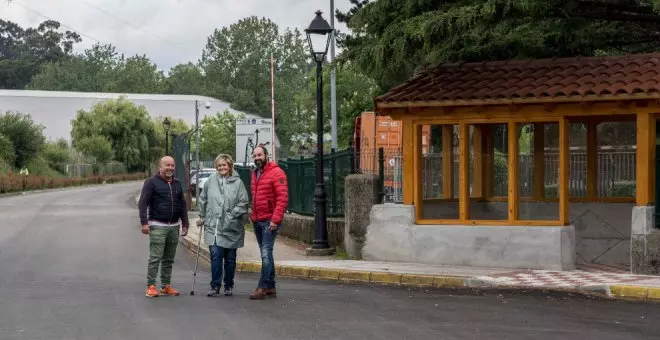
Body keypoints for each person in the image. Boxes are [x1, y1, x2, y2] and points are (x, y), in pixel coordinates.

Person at [197, 154, 249, 297]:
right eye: (219, 165)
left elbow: (244, 202)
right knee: (215, 255)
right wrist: (201, 215)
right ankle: (215, 285)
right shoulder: (210, 181)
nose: (222, 168)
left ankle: (228, 285)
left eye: (224, 165)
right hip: (213, 226)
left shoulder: (238, 183)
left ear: (230, 165)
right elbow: (203, 198)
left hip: (232, 227)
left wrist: (232, 215)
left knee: (230, 259)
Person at [138, 156, 189, 298]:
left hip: (174, 226)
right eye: (167, 165)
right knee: (155, 257)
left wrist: (185, 224)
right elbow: (143, 203)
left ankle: (166, 286)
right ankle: (151, 286)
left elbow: (183, 206)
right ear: (160, 167)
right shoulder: (151, 182)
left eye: (172, 166)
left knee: (169, 259)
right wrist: (144, 223)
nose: (170, 168)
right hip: (157, 225)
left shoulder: (177, 184)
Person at [249, 145, 288, 300]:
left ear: (266, 155)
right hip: (257, 219)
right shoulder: (255, 173)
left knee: (266, 253)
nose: (257, 158)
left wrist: (275, 220)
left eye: (260, 155)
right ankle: (271, 286)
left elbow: (282, 198)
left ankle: (263, 286)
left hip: (269, 221)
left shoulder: (277, 172)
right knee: (266, 253)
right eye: (255, 155)